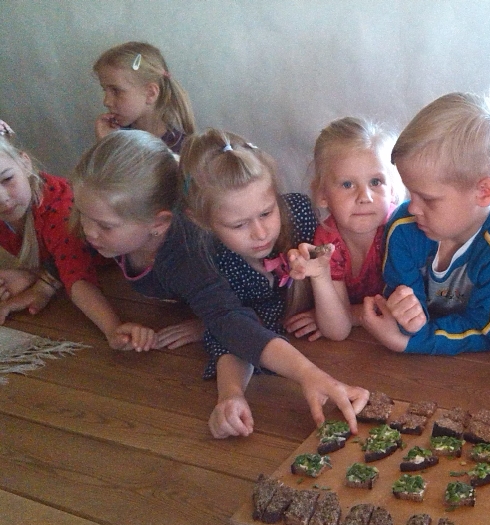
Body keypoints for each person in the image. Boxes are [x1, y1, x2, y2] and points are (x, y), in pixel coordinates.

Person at [71, 129, 368, 437]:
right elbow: (231, 324)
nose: (89, 232)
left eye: (105, 226)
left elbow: (231, 322)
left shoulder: (198, 255)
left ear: (160, 223)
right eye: (82, 215)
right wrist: (231, 391)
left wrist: (309, 372)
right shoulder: (209, 256)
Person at [361, 91, 490, 354]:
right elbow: (406, 316)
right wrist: (406, 320)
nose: (412, 207)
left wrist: (409, 342)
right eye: (410, 192)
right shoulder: (403, 227)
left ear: (483, 192)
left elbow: (485, 331)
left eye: (428, 198)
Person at [0, 119, 140, 349]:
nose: (2, 198)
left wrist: (113, 329)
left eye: (7, 179)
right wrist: (34, 275)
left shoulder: (59, 211)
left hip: (125, 268)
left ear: (25, 164)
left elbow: (78, 277)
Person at [286, 116, 400, 341]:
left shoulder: (400, 229)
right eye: (347, 184)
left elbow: (416, 307)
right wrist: (320, 277)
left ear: (393, 190)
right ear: (322, 195)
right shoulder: (327, 240)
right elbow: (338, 331)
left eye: (376, 182)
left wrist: (350, 314)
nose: (364, 197)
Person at [93, 41, 195, 153]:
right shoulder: (116, 134)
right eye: (105, 90)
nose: (106, 101)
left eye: (116, 91)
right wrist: (107, 144)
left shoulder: (182, 149)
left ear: (151, 93)